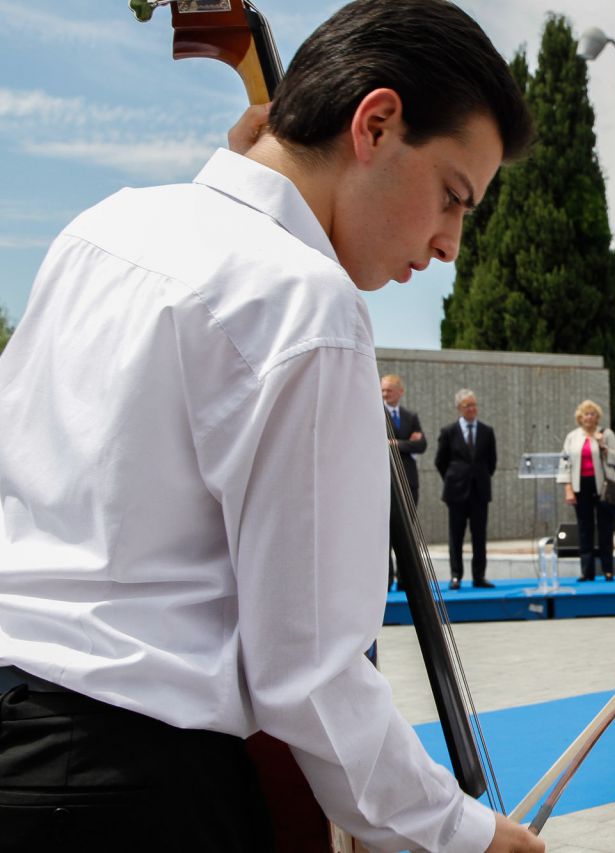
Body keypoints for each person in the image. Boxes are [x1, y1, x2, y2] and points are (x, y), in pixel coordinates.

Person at [0, 2, 541, 851]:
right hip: (133, 791)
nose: (451, 246)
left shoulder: (100, 227)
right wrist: (462, 832)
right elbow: (310, 673)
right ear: (377, 121)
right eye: (452, 196)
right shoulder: (306, 299)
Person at [434, 389, 497, 591]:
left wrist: (480, 477)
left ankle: (479, 576)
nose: (472, 409)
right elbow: (440, 461)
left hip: (479, 491)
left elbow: (492, 462)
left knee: (479, 535)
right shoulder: (449, 431)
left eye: (474, 405)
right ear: (459, 408)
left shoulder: (487, 431)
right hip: (456, 492)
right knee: (456, 535)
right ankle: (455, 576)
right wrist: (454, 478)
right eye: (467, 405)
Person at [556, 400, 615, 582]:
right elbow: (564, 463)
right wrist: (568, 488)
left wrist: (604, 447)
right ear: (580, 417)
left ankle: (608, 569)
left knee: (605, 528)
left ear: (597, 417)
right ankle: (587, 571)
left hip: (602, 487)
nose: (589, 417)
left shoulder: (606, 434)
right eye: (586, 414)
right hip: (581, 486)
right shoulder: (573, 437)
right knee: (584, 529)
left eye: (592, 414)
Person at [384, 373, 426, 590]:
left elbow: (421, 445)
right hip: (385, 482)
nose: (385, 393)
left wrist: (395, 444)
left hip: (409, 481)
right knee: (386, 533)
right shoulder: (376, 413)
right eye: (383, 390)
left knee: (409, 531)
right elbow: (378, 444)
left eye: (389, 390)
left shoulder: (411, 416)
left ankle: (405, 578)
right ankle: (387, 577)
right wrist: (406, 443)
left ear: (400, 391)